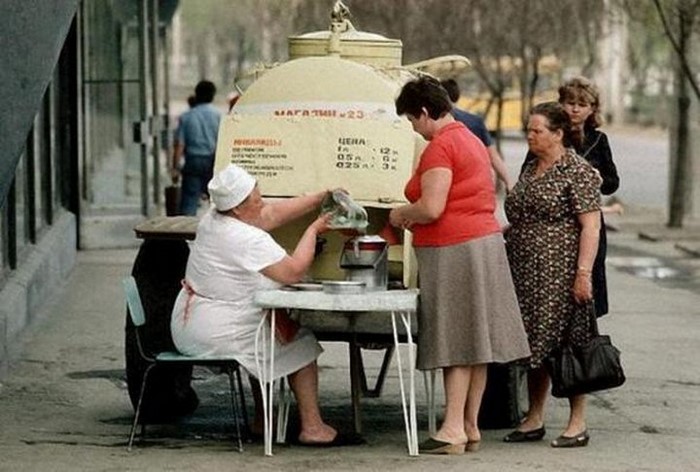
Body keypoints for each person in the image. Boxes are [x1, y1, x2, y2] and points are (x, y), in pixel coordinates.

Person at [388, 76, 530, 455]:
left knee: (454, 340)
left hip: (453, 248)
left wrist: (401, 213)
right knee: (476, 340)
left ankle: (451, 427)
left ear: (423, 112)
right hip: (483, 243)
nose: (414, 130)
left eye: (412, 121)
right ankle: (469, 423)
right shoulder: (470, 138)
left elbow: (432, 207)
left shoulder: (441, 147)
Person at [170, 164, 358, 447]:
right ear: (236, 208)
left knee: (264, 344)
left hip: (191, 323)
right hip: (215, 330)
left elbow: (269, 214)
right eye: (255, 200)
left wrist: (322, 196)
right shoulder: (243, 237)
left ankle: (263, 420)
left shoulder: (214, 218)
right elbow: (293, 271)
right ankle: (313, 427)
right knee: (301, 343)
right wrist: (314, 228)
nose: (262, 203)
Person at [504, 101, 602, 448]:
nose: (530, 136)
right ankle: (534, 416)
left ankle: (577, 422)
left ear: (558, 134)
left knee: (568, 343)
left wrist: (583, 274)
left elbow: (591, 226)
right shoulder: (531, 167)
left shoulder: (577, 170)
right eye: (528, 130)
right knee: (533, 344)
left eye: (537, 130)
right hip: (524, 270)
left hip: (559, 271)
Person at [521, 76, 619, 317]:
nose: (575, 109)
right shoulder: (548, 135)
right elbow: (526, 174)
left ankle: (583, 344)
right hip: (551, 227)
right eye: (570, 102)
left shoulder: (599, 140)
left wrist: (597, 177)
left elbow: (612, 183)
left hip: (587, 222)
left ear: (592, 109)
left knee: (585, 294)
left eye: (582, 104)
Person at [440, 78, 514, 191]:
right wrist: (508, 182)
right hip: (476, 184)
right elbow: (493, 156)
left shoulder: (433, 121)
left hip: (446, 183)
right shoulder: (475, 121)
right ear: (457, 96)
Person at [171, 80, 222, 216]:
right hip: (213, 161)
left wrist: (175, 168)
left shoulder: (186, 117)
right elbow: (222, 143)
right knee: (217, 201)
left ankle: (187, 232)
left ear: (197, 94)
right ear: (213, 95)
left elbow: (179, 145)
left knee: (189, 200)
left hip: (192, 161)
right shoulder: (219, 116)